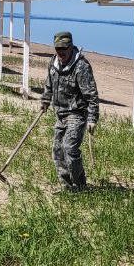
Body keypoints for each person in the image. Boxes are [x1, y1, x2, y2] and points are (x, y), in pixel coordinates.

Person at [40, 32, 99, 191]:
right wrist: (45, 100)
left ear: (71, 47)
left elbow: (92, 95)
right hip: (60, 114)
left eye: (64, 49)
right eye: (58, 49)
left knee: (69, 148)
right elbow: (49, 85)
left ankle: (80, 186)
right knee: (57, 151)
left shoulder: (81, 66)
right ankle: (67, 187)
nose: (61, 53)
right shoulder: (53, 63)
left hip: (76, 114)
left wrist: (92, 118)